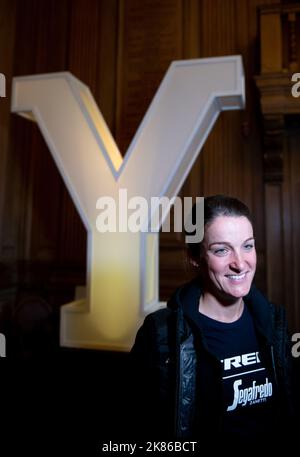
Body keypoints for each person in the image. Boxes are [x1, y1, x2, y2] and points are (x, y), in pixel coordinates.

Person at [130, 195, 295, 447]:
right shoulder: (162, 333)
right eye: (221, 250)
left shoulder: (275, 323)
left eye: (247, 246)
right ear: (195, 257)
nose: (240, 263)